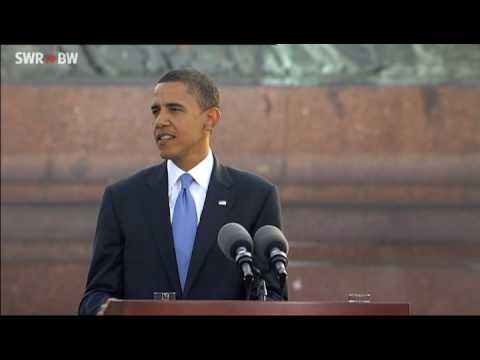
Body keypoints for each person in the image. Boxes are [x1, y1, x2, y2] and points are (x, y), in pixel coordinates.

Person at [78, 68, 287, 315]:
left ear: (210, 118)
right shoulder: (123, 198)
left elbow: (273, 297)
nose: (160, 121)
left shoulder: (255, 196)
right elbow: (95, 297)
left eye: (174, 109)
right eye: (156, 111)